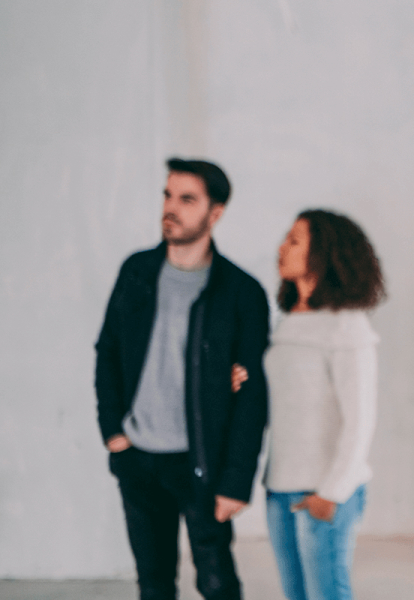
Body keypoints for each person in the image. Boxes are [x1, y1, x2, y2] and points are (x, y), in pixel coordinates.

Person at [95, 158, 270, 600]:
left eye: (186, 199)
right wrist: (114, 434)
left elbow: (252, 397)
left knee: (217, 583)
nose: (170, 207)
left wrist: (236, 481)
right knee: (153, 584)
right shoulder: (136, 272)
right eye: (168, 195)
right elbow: (108, 354)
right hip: (138, 458)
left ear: (215, 213)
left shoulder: (240, 292)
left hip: (202, 463)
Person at [231, 209, 384, 600]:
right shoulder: (287, 321)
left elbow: (360, 419)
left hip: (325, 490)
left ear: (325, 253)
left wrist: (331, 492)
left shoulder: (347, 325)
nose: (282, 247)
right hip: (280, 487)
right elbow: (284, 395)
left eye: (295, 240)